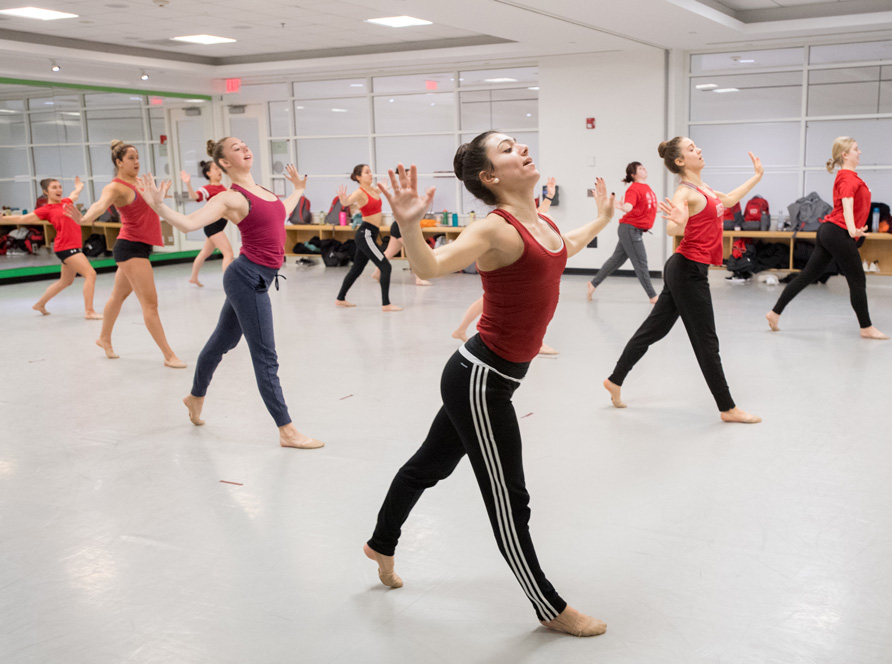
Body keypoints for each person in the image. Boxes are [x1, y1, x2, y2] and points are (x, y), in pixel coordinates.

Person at [364, 132, 614, 637]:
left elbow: (565, 246)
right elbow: (429, 267)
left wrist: (604, 220)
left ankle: (380, 542)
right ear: (490, 177)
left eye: (518, 143)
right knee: (509, 497)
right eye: (507, 149)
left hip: (489, 376)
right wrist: (410, 228)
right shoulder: (492, 230)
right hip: (482, 381)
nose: (522, 149)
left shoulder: (540, 221)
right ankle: (549, 607)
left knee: (427, 466)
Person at [136, 139, 321, 449]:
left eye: (245, 145)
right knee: (265, 355)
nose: (245, 149)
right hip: (248, 278)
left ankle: (195, 397)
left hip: (253, 277)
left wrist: (298, 190)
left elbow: (280, 213)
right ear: (224, 163)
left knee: (223, 341)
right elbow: (188, 224)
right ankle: (286, 430)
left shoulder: (263, 190)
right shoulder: (230, 198)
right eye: (236, 148)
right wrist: (158, 206)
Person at [602, 137, 761, 423]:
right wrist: (679, 220)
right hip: (687, 271)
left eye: (696, 146)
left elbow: (729, 201)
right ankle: (727, 408)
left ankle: (615, 379)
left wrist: (756, 177)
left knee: (654, 330)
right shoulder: (684, 193)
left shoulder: (705, 189)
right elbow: (672, 227)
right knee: (706, 342)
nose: (698, 149)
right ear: (679, 161)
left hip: (685, 269)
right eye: (690, 149)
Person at [66, 140, 184, 367]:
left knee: (118, 296)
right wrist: (83, 219)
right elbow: (100, 205)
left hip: (139, 247)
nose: (136, 162)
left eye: (137, 157)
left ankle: (104, 338)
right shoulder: (116, 187)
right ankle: (169, 355)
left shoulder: (139, 182)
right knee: (150, 305)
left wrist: (161, 196)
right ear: (119, 162)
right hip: (131, 248)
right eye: (131, 158)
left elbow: (149, 205)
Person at [766, 137, 889, 340]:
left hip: (829, 231)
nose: (860, 152)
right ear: (845, 154)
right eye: (856, 149)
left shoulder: (847, 176)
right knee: (857, 279)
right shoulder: (847, 178)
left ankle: (774, 313)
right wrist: (852, 230)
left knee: (808, 275)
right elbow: (847, 205)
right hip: (837, 232)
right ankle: (866, 327)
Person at [451, 177, 559, 355]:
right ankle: (538, 343)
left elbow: (539, 217)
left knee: (487, 300)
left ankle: (460, 330)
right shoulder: (506, 211)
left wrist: (549, 197)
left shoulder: (519, 206)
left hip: (511, 263)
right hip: (508, 263)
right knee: (524, 303)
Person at [8, 177, 101, 319]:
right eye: (54, 187)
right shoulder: (46, 209)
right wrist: (3, 218)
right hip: (66, 248)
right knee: (90, 274)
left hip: (71, 246)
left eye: (59, 186)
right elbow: (22, 219)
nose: (59, 190)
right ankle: (89, 311)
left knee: (66, 281)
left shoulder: (66, 202)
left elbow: (74, 195)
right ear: (46, 191)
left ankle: (40, 304)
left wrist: (79, 187)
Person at [587, 162, 659, 303]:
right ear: (633, 174)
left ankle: (593, 283)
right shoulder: (634, 189)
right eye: (640, 168)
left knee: (616, 261)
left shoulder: (647, 188)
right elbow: (628, 207)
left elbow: (648, 207)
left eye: (644, 167)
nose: (644, 169)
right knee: (641, 263)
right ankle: (653, 296)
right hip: (630, 229)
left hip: (632, 230)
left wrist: (667, 209)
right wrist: (620, 205)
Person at [334, 164, 401, 311]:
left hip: (370, 233)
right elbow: (347, 201)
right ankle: (386, 304)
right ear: (358, 177)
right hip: (366, 234)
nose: (370, 174)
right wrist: (343, 200)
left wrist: (383, 189)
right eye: (366, 173)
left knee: (356, 269)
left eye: (370, 172)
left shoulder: (372, 189)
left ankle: (340, 299)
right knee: (385, 266)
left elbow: (377, 193)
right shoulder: (360, 192)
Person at [180, 154, 235, 287]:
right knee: (228, 253)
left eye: (219, 168)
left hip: (217, 226)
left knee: (206, 252)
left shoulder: (223, 188)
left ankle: (193, 277)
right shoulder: (207, 189)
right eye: (216, 168)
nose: (219, 171)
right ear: (209, 173)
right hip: (213, 226)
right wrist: (188, 184)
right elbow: (195, 197)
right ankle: (230, 284)